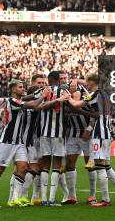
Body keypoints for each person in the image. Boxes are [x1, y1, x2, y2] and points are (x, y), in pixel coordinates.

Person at [67, 73, 115, 206]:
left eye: (87, 81)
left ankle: (105, 200)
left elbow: (76, 104)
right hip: (106, 132)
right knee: (107, 166)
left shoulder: (94, 94)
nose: (86, 84)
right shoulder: (104, 94)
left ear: (92, 82)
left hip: (98, 133)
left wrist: (67, 97)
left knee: (99, 166)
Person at [0, 79, 48, 209]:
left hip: (19, 142)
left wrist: (38, 92)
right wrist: (42, 96)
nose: (22, 89)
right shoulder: (11, 101)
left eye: (23, 87)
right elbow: (32, 105)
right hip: (7, 141)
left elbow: (30, 99)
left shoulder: (19, 101)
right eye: (20, 87)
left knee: (23, 167)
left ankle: (14, 199)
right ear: (13, 89)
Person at [38, 71, 71, 206]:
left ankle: (44, 199)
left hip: (44, 133)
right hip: (58, 134)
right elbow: (71, 106)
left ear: (49, 79)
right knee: (56, 166)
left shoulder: (43, 91)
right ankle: (51, 199)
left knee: (45, 166)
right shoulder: (65, 92)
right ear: (58, 79)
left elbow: (37, 105)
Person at [64, 77, 96, 204]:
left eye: (75, 89)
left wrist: (89, 128)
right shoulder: (65, 99)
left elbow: (95, 113)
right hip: (72, 134)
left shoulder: (87, 98)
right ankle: (72, 196)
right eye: (70, 89)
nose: (73, 92)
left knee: (90, 165)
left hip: (86, 134)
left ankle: (92, 195)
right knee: (69, 164)